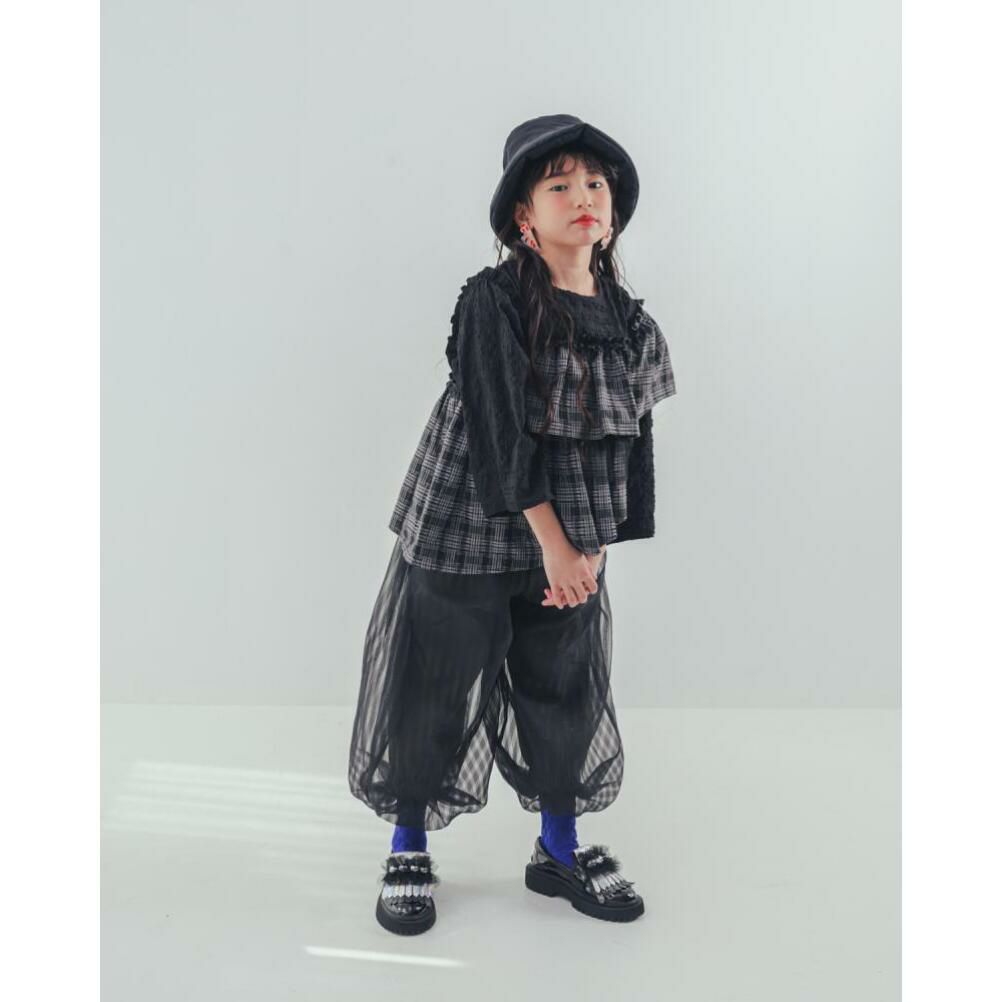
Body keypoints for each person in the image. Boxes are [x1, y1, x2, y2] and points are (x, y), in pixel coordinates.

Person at [347, 114, 677, 935]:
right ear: (523, 216)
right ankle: (409, 844)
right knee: (435, 682)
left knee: (563, 686)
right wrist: (556, 544)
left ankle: (558, 849)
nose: (583, 196)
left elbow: (630, 446)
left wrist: (592, 549)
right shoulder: (492, 302)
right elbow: (499, 435)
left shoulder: (630, 322)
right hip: (471, 520)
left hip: (570, 541)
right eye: (559, 185)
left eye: (595, 183)